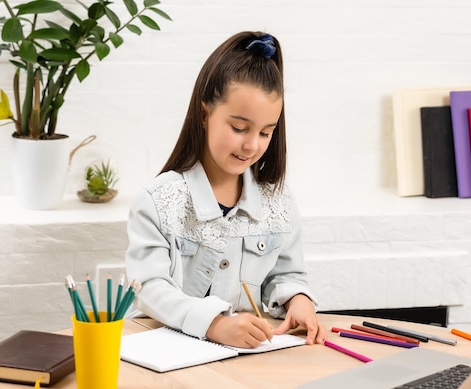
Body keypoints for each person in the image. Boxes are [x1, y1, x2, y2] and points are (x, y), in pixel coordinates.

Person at [125, 31, 326, 348]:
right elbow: (148, 287)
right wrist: (214, 324)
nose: (251, 145)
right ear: (205, 114)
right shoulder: (158, 202)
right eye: (239, 128)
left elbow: (286, 275)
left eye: (265, 132)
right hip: (170, 359)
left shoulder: (278, 202)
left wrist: (299, 301)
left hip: (245, 361)